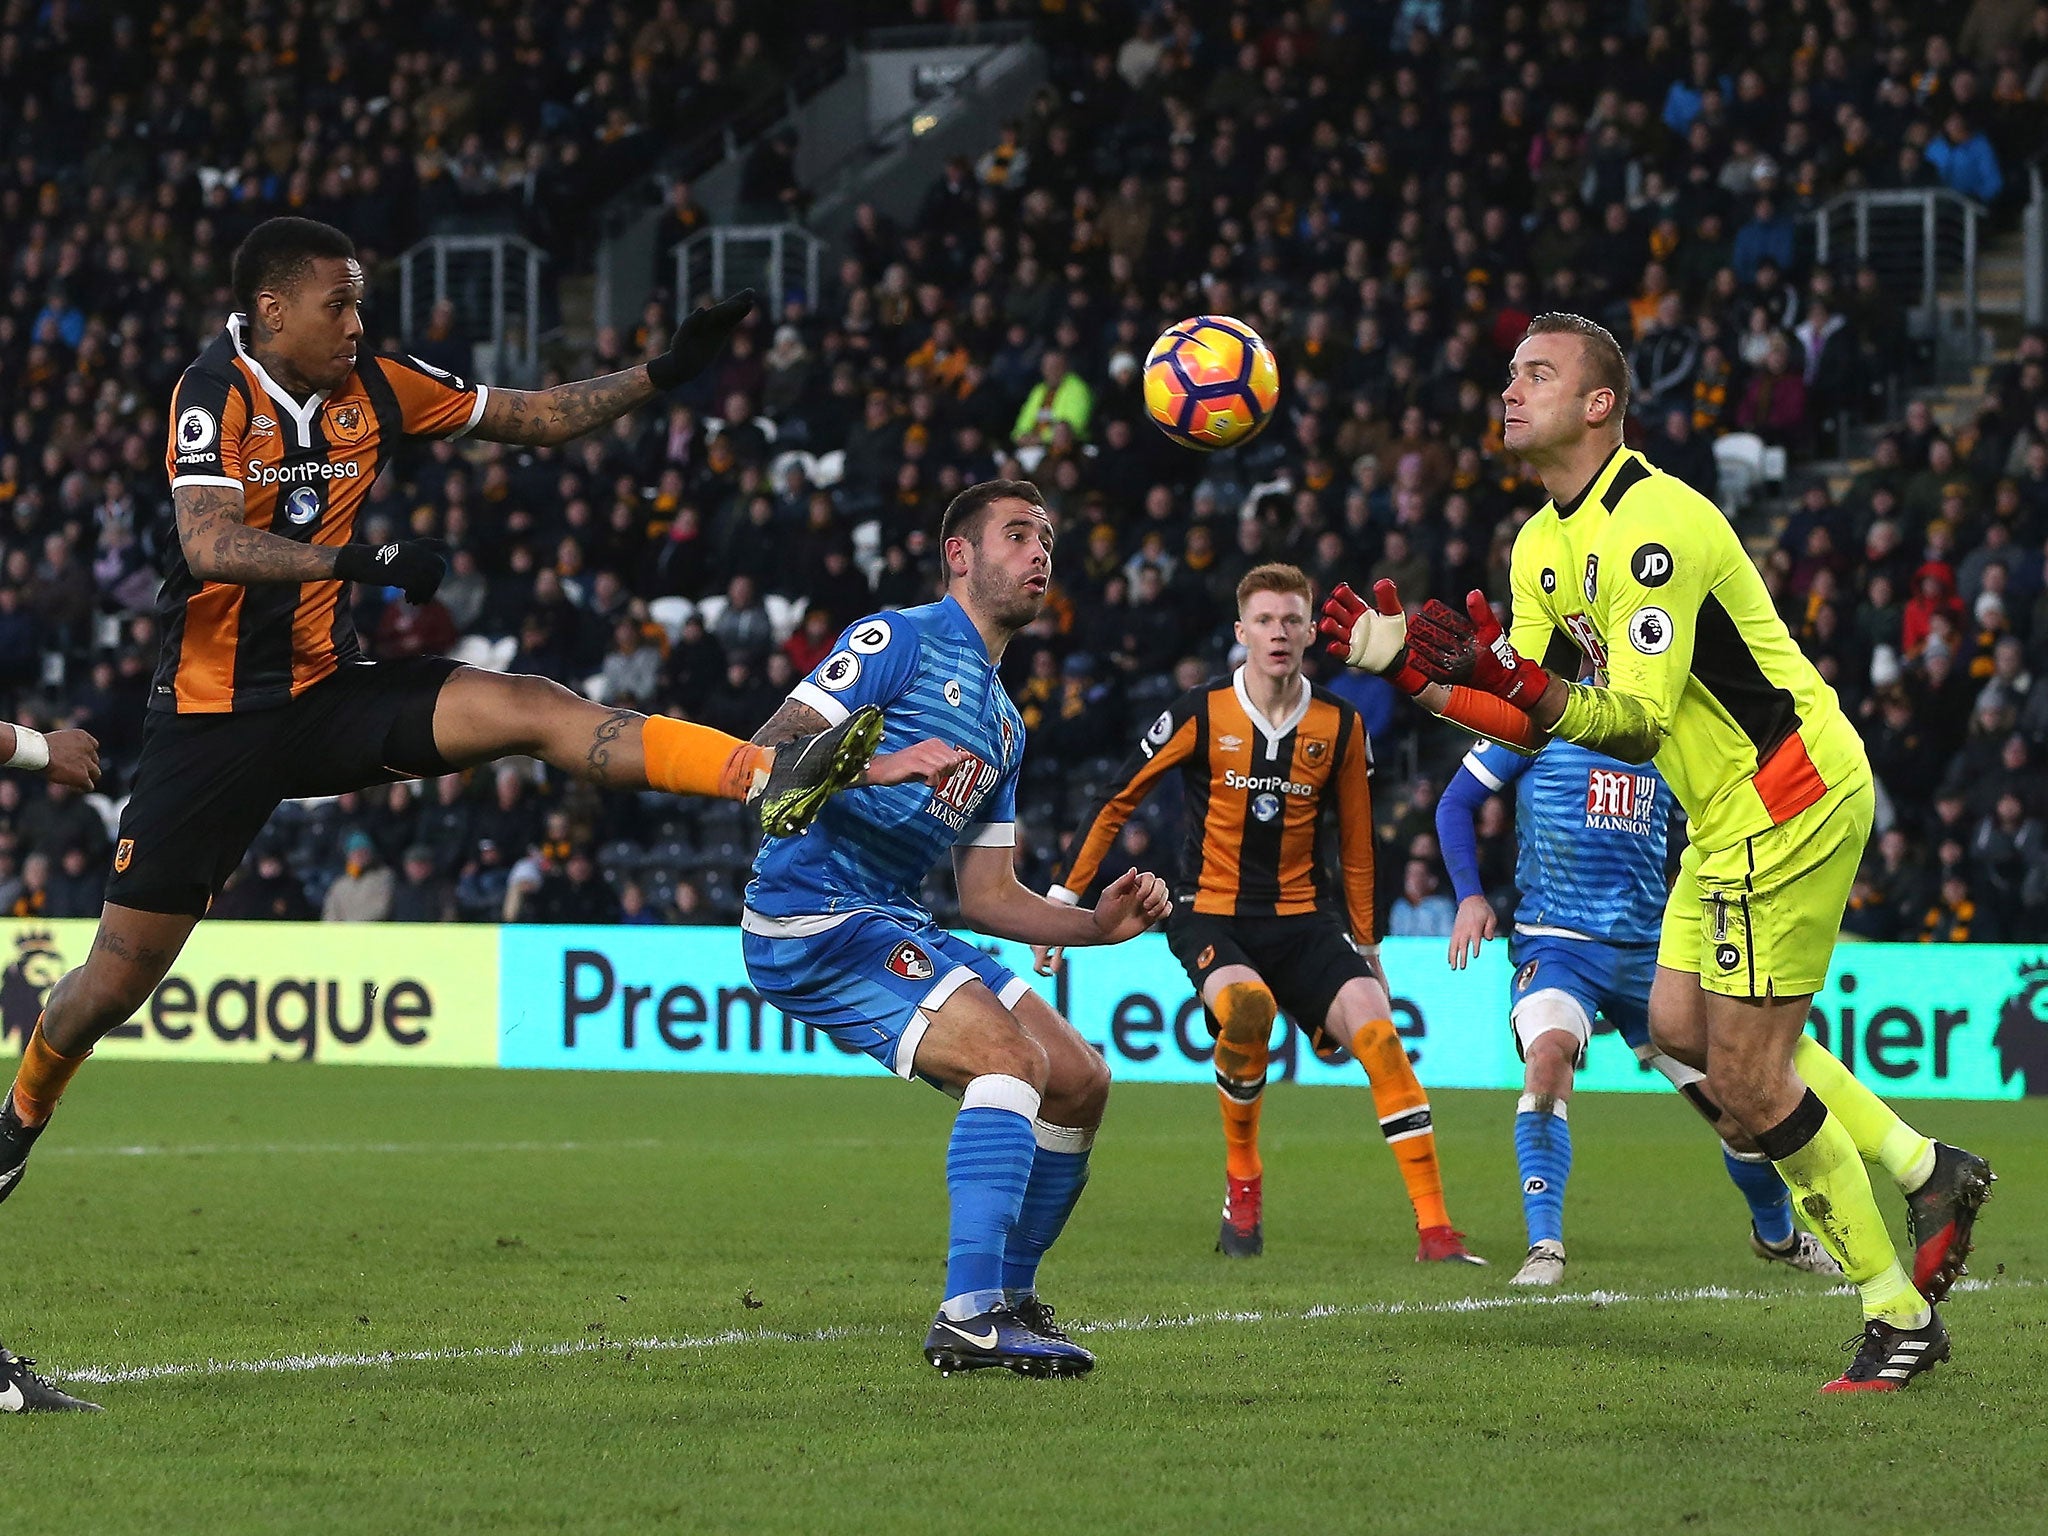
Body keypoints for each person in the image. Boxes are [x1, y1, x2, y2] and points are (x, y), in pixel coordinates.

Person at [0, 220, 955, 1329]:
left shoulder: (377, 386)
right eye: (337, 306)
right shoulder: (213, 394)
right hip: (210, 729)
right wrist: (356, 559)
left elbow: (531, 418)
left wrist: (664, 371)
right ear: (271, 311)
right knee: (111, 986)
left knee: (533, 707)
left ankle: (765, 774)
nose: (357, 325)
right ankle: (19, 1121)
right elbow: (209, 542)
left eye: (361, 305)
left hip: (328, 696)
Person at [1323, 311, 1993, 1393]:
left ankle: (1892, 1312)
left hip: (1787, 791)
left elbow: (1626, 722)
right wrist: (1415, 681)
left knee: (1742, 1075)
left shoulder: (1655, 523)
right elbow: (1533, 719)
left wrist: (1514, 679)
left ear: (1598, 404)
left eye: (1535, 375)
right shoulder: (1539, 541)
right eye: (1506, 375)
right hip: (1722, 812)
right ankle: (1926, 1169)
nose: (1508, 392)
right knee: (1681, 1032)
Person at [740, 481, 1171, 1379]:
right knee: (1009, 1063)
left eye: (1047, 537)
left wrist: (1099, 925)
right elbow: (763, 759)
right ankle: (968, 1313)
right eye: (1017, 535)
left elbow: (986, 894)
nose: (1039, 552)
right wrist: (886, 762)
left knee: (1082, 1081)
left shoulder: (1006, 726)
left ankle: (1008, 1301)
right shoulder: (892, 639)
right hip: (810, 915)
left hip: (897, 915)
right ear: (960, 556)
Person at [1044, 564, 1482, 1267]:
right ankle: (1243, 1179)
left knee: (1378, 1034)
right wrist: (1062, 902)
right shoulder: (1198, 711)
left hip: (1307, 921)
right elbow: (1116, 797)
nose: (1278, 632)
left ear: (1311, 632)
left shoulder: (1341, 725)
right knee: (1249, 1009)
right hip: (1209, 913)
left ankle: (1437, 1232)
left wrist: (1369, 947)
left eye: (1291, 620)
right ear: (1242, 632)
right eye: (1265, 620)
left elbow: (1360, 846)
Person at [1438, 736, 1840, 1285]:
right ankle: (1545, 1248)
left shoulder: (1662, 727)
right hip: (1558, 946)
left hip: (1652, 956)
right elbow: (1455, 801)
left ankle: (1778, 1238)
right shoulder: (1536, 716)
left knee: (1741, 1110)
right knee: (1548, 1059)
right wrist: (1469, 894)